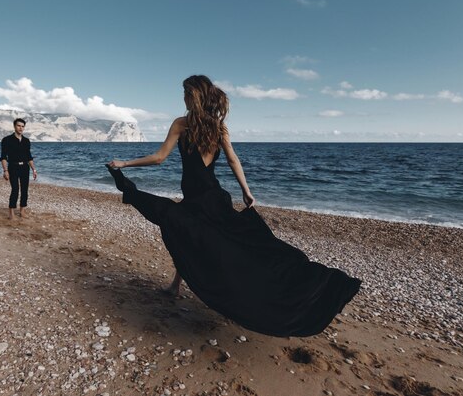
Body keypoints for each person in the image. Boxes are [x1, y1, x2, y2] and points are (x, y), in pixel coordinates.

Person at [106, 75, 361, 337]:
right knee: (203, 239)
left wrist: (125, 164)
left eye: (184, 93)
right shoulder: (218, 127)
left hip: (198, 199)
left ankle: (185, 287)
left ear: (192, 96)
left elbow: (160, 158)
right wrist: (246, 192)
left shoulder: (181, 124)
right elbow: (233, 161)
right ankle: (175, 285)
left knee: (188, 234)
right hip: (214, 197)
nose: (182, 98)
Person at [0, 118, 37, 219]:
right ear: (14, 126)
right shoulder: (6, 140)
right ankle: (11, 212)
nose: (21, 128)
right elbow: (3, 157)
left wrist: (34, 169)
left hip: (25, 167)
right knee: (15, 189)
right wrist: (5, 170)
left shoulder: (26, 141)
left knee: (25, 190)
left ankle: (22, 211)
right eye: (18, 126)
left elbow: (29, 157)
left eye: (22, 126)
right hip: (13, 167)